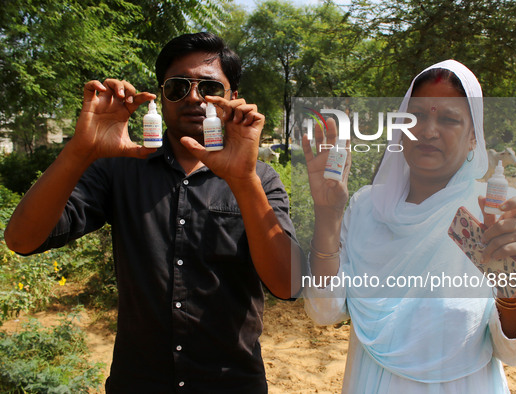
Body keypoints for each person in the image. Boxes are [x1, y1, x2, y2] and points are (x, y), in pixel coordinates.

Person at [4, 32, 301, 393]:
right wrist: (80, 151)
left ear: (232, 98)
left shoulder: (260, 179)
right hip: (138, 382)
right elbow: (21, 239)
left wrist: (243, 181)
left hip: (231, 383)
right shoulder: (121, 168)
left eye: (209, 87)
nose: (193, 97)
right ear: (161, 95)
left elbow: (289, 285)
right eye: (177, 87)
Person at [303, 60, 516, 392]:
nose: (428, 131)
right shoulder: (365, 208)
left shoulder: (495, 213)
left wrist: (510, 286)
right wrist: (328, 216)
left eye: (448, 119)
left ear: (474, 137)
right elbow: (324, 310)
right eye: (415, 117)